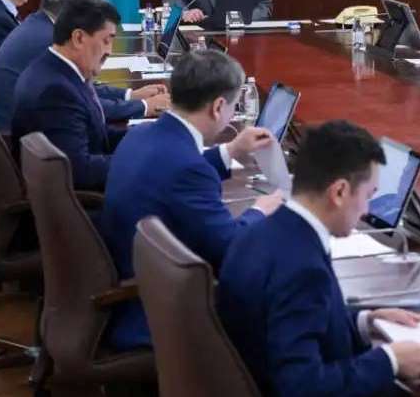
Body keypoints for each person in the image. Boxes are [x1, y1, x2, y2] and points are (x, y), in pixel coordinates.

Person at [217, 120, 420, 396]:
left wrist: (366, 320)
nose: (365, 211)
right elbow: (302, 387)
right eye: (368, 196)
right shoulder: (302, 269)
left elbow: (293, 323)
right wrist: (390, 360)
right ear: (339, 192)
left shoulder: (260, 233)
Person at [99, 49, 285, 350]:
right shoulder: (188, 170)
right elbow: (230, 249)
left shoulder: (142, 134)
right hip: (158, 310)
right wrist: (260, 211)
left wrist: (231, 151)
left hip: (134, 281)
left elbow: (171, 170)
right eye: (234, 105)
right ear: (218, 107)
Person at [0, 0, 169, 132]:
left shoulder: (40, 24)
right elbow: (83, 104)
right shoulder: (51, 42)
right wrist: (144, 107)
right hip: (21, 137)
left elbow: (82, 89)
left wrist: (130, 95)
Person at [11, 0, 126, 192]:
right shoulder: (55, 92)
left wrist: (144, 136)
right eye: (106, 40)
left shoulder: (55, 70)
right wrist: (141, 161)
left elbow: (95, 133)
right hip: (84, 207)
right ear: (78, 38)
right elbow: (80, 171)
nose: (110, 51)